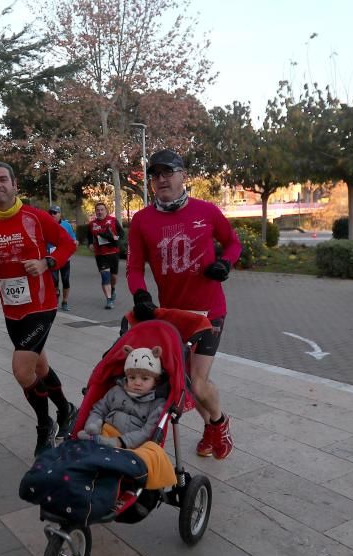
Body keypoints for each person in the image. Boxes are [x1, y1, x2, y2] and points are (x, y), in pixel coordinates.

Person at [127, 149, 241, 460]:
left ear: (182, 175)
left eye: (168, 172)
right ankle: (212, 429)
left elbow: (233, 242)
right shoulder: (141, 221)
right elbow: (134, 267)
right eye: (156, 174)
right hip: (172, 314)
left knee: (198, 383)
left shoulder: (206, 211)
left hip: (209, 311)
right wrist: (140, 294)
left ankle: (220, 423)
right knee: (186, 383)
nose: (161, 179)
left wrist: (226, 264)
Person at [0, 162, 79, 456]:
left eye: (3, 179)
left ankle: (45, 427)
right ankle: (67, 409)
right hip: (12, 311)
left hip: (42, 306)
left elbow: (68, 244)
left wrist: (47, 262)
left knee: (21, 370)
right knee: (39, 367)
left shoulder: (35, 217)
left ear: (15, 184)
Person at [77, 346, 167, 449]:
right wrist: (93, 425)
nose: (137, 383)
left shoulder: (157, 403)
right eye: (132, 377)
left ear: (155, 380)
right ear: (126, 377)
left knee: (152, 452)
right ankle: (92, 439)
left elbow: (147, 432)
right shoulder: (116, 391)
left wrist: (120, 442)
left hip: (131, 445)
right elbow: (99, 409)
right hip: (104, 433)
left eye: (145, 378)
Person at [89, 202, 123, 309]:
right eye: (97, 210)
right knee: (105, 277)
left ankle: (113, 289)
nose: (99, 212)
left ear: (106, 210)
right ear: (95, 211)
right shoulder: (91, 224)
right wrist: (90, 244)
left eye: (101, 209)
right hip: (100, 255)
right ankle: (109, 300)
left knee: (113, 277)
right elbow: (89, 238)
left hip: (113, 253)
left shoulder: (113, 220)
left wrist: (114, 239)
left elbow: (121, 234)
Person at [48, 205, 76, 312]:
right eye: (50, 213)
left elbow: (73, 239)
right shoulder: (45, 225)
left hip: (64, 258)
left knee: (65, 280)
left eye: (55, 213)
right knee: (54, 281)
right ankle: (55, 300)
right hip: (51, 258)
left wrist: (74, 242)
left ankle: (65, 301)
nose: (52, 215)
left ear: (60, 214)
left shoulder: (67, 225)